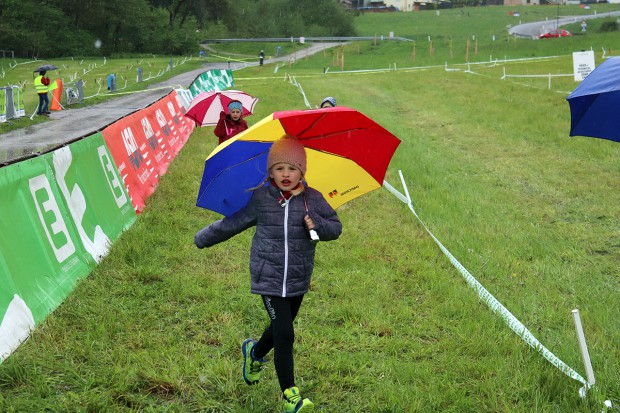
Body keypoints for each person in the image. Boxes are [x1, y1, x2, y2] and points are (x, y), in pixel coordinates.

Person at [194, 136, 342, 413]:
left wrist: (318, 224)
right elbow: (234, 222)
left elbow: (335, 228)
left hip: (298, 277)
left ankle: (255, 353)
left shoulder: (313, 199)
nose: (286, 174)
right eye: (279, 168)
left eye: (292, 168)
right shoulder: (262, 197)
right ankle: (291, 396)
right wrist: (204, 237)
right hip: (268, 276)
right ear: (270, 171)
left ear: (302, 171)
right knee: (285, 333)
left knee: (277, 330)